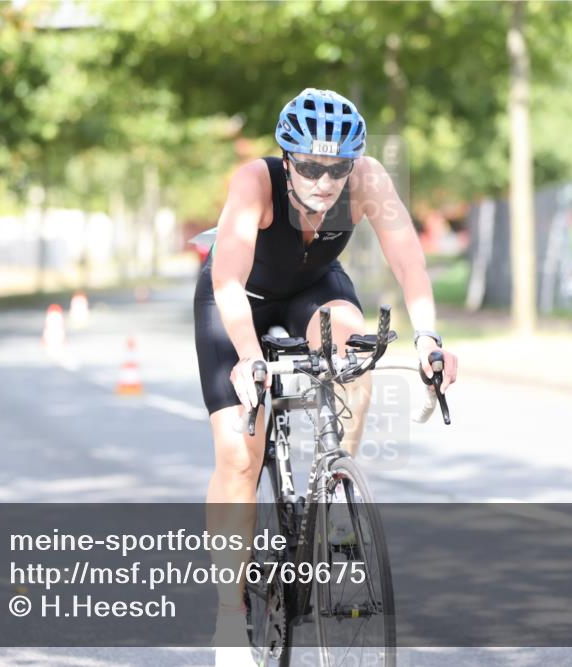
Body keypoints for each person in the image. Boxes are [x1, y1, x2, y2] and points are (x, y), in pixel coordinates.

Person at [194, 87, 458, 666]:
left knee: (354, 345)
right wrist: (248, 356)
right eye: (310, 166)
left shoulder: (366, 181)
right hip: (240, 299)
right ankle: (227, 614)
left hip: (313, 290)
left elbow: (408, 258)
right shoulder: (254, 183)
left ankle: (336, 496)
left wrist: (429, 338)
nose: (323, 180)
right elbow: (228, 283)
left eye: (336, 168)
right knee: (239, 452)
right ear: (287, 158)